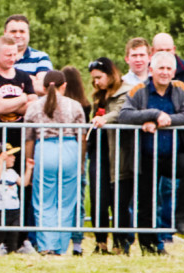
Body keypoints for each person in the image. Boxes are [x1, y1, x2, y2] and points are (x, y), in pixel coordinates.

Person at [118, 51, 184, 255]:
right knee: (146, 201)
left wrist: (168, 120)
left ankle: (181, 217)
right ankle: (150, 246)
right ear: (151, 70)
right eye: (160, 68)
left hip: (172, 153)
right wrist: (154, 115)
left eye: (168, 69)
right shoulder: (139, 90)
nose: (164, 72)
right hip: (146, 154)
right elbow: (124, 115)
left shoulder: (181, 89)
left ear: (174, 72)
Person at [23, 69, 85, 255]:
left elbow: (29, 138)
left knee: (44, 199)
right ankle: (61, 246)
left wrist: (29, 161)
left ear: (43, 87)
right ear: (64, 85)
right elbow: (82, 137)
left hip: (45, 149)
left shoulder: (34, 107)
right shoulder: (74, 106)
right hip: (69, 150)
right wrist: (80, 162)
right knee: (66, 201)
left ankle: (46, 245)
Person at [87, 57, 133, 254]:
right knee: (98, 197)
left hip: (119, 152)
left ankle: (120, 244)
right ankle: (100, 242)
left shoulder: (127, 91)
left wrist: (103, 118)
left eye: (99, 77)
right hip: (99, 151)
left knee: (119, 200)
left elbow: (121, 113)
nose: (96, 82)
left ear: (110, 74)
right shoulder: (99, 95)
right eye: (94, 79)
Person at [0, 15, 53, 93]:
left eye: (22, 31)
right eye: (13, 31)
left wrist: (5, 77)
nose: (18, 35)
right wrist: (29, 81)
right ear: (5, 33)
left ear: (28, 33)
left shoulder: (41, 57)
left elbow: (44, 88)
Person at [61, 65, 91, 255]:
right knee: (77, 197)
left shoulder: (56, 104)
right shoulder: (85, 105)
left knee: (58, 196)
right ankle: (77, 240)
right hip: (78, 151)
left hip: (59, 149)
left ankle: (59, 237)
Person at [0, 143, 32, 255]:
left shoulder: (12, 173)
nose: (14, 157)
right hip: (0, 209)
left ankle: (12, 252)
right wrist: (0, 160)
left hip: (14, 208)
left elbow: (24, 183)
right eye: (10, 155)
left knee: (14, 233)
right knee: (0, 234)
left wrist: (29, 169)